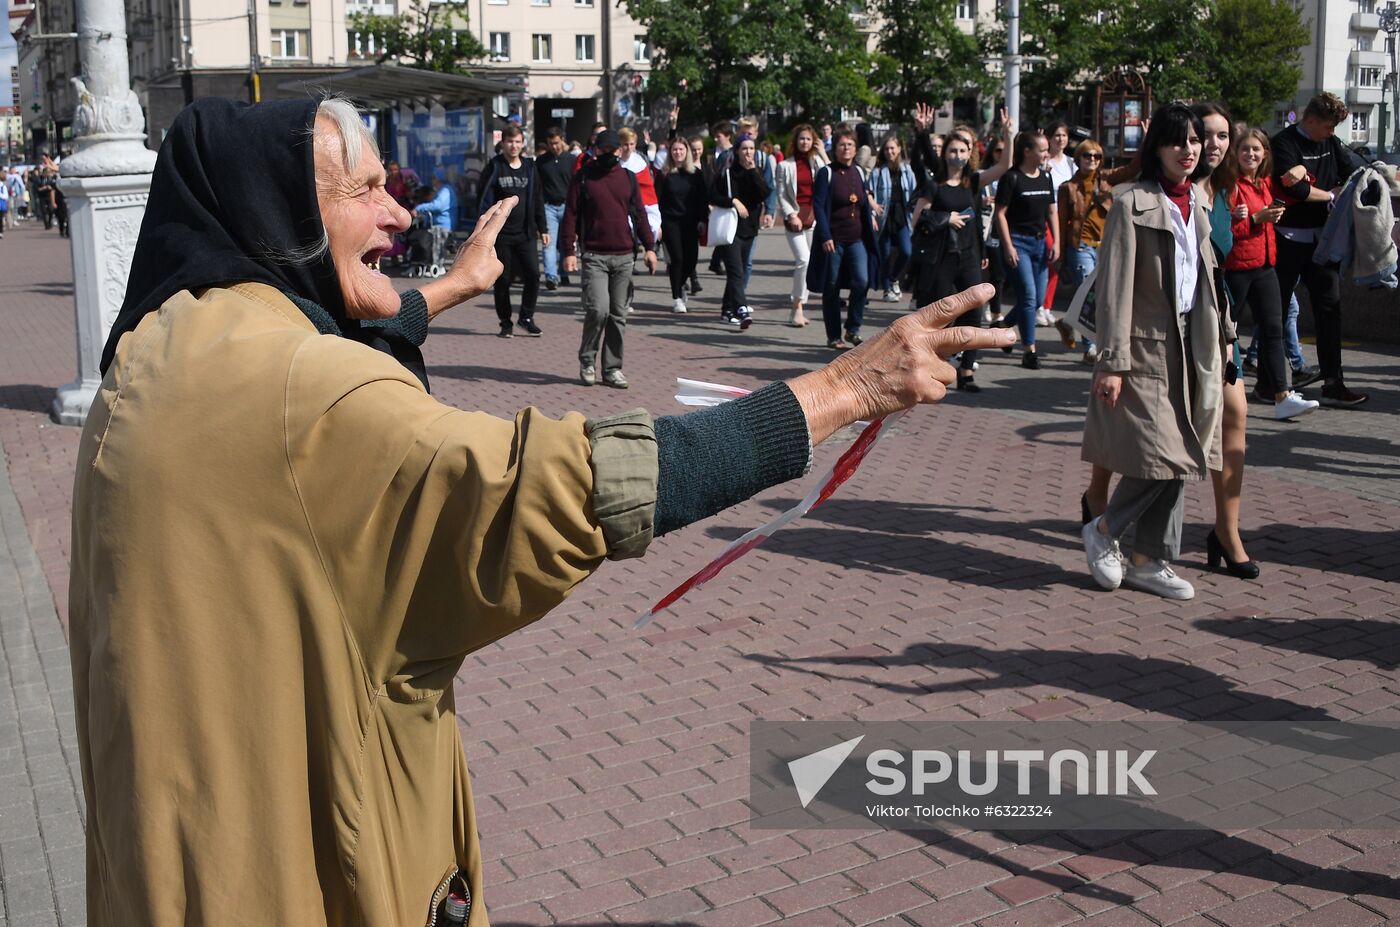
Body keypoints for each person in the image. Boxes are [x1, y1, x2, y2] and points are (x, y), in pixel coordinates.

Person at [73, 94, 1019, 927]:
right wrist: (845, 389)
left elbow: (334, 365)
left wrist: (444, 292)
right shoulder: (306, 397)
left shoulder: (164, 349)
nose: (398, 211)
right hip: (300, 882)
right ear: (275, 211)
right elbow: (559, 484)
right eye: (362, 190)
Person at [1080, 103, 1235, 601]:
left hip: (1196, 342)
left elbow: (1210, 280)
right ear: (1157, 148)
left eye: (1193, 140)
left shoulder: (1200, 201)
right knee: (1166, 451)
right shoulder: (1132, 203)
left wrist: (1226, 339)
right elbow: (1115, 288)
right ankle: (1105, 528)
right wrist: (1112, 362)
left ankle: (1150, 561)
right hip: (1145, 345)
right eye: (1175, 141)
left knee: (1188, 448)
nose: (1187, 150)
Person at [1270, 92, 1371, 407]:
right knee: (1276, 312)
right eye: (1328, 126)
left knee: (1330, 311)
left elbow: (1352, 175)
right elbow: (1295, 189)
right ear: (1310, 120)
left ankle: (1333, 383)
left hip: (1322, 242)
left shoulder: (1331, 143)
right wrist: (1329, 195)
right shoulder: (1284, 143)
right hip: (1287, 240)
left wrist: (1322, 188)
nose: (1331, 133)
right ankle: (1270, 384)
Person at [908, 115, 1014, 392]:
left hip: (969, 255)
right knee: (942, 315)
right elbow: (917, 220)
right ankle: (935, 366)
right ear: (945, 153)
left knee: (975, 312)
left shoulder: (973, 182)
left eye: (963, 151)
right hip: (942, 256)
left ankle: (966, 370)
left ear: (969, 155)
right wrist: (946, 218)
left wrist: (1008, 134)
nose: (958, 155)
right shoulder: (935, 185)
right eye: (953, 150)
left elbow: (1004, 166)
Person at [1227, 127, 1318, 425]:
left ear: (1265, 153)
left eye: (1256, 149)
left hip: (1266, 264)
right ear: (1235, 153)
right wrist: (1257, 218)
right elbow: (1225, 232)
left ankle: (1282, 396)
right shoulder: (1230, 185)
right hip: (1238, 267)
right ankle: (1212, 388)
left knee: (1273, 329)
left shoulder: (1264, 182)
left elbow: (1296, 189)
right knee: (1224, 330)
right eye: (1245, 149)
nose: (1250, 154)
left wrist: (1302, 169)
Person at [560, 129, 657, 388]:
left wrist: (649, 247)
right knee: (598, 309)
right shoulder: (583, 178)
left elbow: (640, 214)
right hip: (594, 256)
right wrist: (568, 251)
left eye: (614, 151)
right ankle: (587, 361)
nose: (610, 155)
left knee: (618, 314)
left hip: (624, 256)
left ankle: (612, 368)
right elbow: (570, 216)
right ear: (596, 151)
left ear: (620, 151)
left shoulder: (628, 178)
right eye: (604, 150)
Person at [809, 125, 878, 350]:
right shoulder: (826, 173)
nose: (846, 148)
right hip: (834, 239)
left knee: (862, 281)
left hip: (856, 238)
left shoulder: (858, 172)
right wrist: (825, 235)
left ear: (855, 148)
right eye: (841, 145)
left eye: (850, 144)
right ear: (835, 148)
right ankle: (834, 335)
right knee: (832, 285)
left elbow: (862, 201)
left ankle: (853, 328)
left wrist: (871, 217)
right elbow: (819, 206)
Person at [993, 131, 1058, 369]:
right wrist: (1008, 245)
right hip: (1018, 243)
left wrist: (1056, 242)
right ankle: (1029, 350)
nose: (1046, 154)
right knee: (1029, 296)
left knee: (1036, 299)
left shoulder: (1046, 177)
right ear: (1027, 152)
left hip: (1040, 244)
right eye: (1042, 150)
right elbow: (1000, 214)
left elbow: (1052, 211)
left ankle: (1003, 326)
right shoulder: (1012, 178)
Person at [477, 125, 548, 338]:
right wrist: (484, 227)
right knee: (503, 279)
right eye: (510, 141)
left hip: (526, 233)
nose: (514, 146)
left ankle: (526, 317)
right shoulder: (495, 166)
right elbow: (484, 197)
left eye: (517, 141)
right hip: (502, 234)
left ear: (523, 143)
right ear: (503, 143)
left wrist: (543, 227)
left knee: (533, 275)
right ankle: (505, 323)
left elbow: (537, 198)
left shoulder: (530, 167)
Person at [1054, 139, 1112, 364]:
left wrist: (1147, 139)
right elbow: (1061, 222)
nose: (1092, 160)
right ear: (1078, 158)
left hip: (1104, 245)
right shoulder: (1067, 187)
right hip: (1080, 246)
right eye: (1087, 155)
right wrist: (1059, 253)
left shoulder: (1106, 181)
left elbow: (1132, 169)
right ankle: (1090, 347)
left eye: (1097, 156)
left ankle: (1068, 322)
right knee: (1090, 295)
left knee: (1099, 295)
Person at [711, 135, 770, 328]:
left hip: (750, 228)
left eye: (751, 149)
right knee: (736, 271)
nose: (748, 152)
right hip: (731, 229)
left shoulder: (755, 172)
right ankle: (741, 308)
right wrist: (733, 202)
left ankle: (727, 310)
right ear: (737, 151)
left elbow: (764, 193)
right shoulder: (728, 172)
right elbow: (713, 195)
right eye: (744, 149)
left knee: (740, 271)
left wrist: (752, 171)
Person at [776, 123, 828, 327]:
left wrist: (822, 152)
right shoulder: (785, 165)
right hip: (795, 220)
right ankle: (796, 306)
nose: (804, 142)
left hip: (813, 218)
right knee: (803, 260)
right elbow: (781, 194)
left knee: (810, 262)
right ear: (795, 141)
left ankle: (799, 308)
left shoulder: (817, 162)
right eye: (801, 138)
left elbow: (831, 175)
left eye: (808, 139)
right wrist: (791, 214)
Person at [657, 135, 707, 314]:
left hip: (691, 222)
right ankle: (677, 297)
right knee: (677, 258)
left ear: (687, 152)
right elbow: (657, 200)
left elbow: (702, 198)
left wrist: (702, 219)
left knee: (691, 259)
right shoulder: (664, 174)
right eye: (674, 149)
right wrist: (658, 225)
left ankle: (680, 284)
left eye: (681, 149)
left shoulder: (696, 174)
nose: (678, 152)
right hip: (670, 222)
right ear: (670, 152)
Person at [869, 134, 918, 304]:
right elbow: (869, 192)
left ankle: (893, 278)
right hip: (884, 216)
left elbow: (914, 192)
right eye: (886, 149)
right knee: (885, 254)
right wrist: (874, 207)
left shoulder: (907, 170)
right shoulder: (877, 171)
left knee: (906, 251)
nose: (889, 151)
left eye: (892, 148)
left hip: (902, 215)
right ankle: (887, 289)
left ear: (899, 149)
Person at [537, 128, 577, 289]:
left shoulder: (572, 160)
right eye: (550, 143)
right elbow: (538, 187)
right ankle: (551, 276)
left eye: (556, 143)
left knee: (565, 242)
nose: (554, 146)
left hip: (567, 206)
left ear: (562, 140)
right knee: (549, 243)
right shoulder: (541, 162)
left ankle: (563, 273)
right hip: (549, 207)